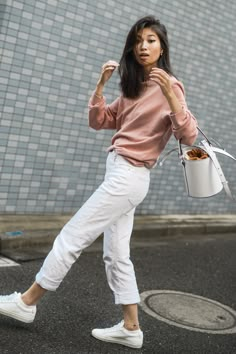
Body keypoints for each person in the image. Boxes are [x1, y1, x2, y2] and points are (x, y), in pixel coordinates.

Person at [0, 16, 198, 349]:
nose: (143, 46)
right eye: (138, 40)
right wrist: (100, 86)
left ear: (162, 46)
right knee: (117, 255)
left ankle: (27, 303)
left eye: (150, 40)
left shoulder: (170, 86)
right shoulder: (133, 87)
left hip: (130, 175)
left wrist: (171, 95)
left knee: (73, 235)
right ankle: (131, 328)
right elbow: (100, 121)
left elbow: (188, 135)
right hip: (120, 173)